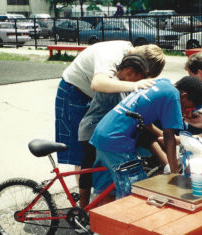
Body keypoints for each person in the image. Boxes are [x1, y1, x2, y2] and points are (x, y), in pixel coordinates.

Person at [55, 41, 165, 184]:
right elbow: (98, 83)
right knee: (82, 154)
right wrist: (134, 85)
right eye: (142, 76)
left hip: (99, 95)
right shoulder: (111, 55)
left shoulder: (128, 60)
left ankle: (99, 190)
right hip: (76, 92)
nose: (141, 80)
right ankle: (84, 203)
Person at [90, 76, 202, 199]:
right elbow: (169, 137)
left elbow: (147, 123)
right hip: (117, 142)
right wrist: (175, 173)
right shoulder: (173, 96)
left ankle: (93, 217)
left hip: (103, 133)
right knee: (136, 194)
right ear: (183, 96)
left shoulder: (162, 82)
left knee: (107, 192)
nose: (186, 112)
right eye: (188, 107)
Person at [77, 54, 165, 208]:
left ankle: (96, 206)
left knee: (104, 175)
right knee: (89, 171)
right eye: (140, 78)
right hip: (92, 131)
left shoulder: (122, 86)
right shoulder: (115, 87)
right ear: (130, 72)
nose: (139, 83)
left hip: (103, 132)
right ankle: (81, 208)